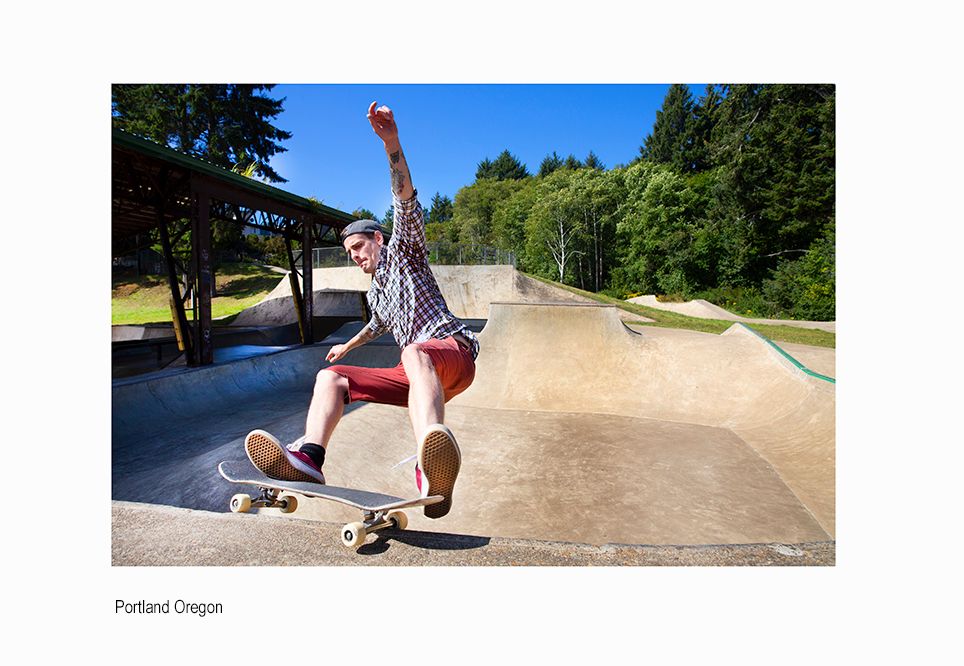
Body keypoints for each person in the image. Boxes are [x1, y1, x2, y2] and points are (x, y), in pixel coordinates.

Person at [244, 101, 478, 519]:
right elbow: (376, 325)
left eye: (358, 247)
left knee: (413, 351)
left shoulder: (406, 252)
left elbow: (405, 200)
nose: (354, 256)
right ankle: (310, 460)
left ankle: (430, 465)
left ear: (377, 239)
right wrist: (346, 349)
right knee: (329, 378)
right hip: (417, 378)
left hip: (451, 354)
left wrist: (392, 143)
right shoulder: (379, 291)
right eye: (348, 251)